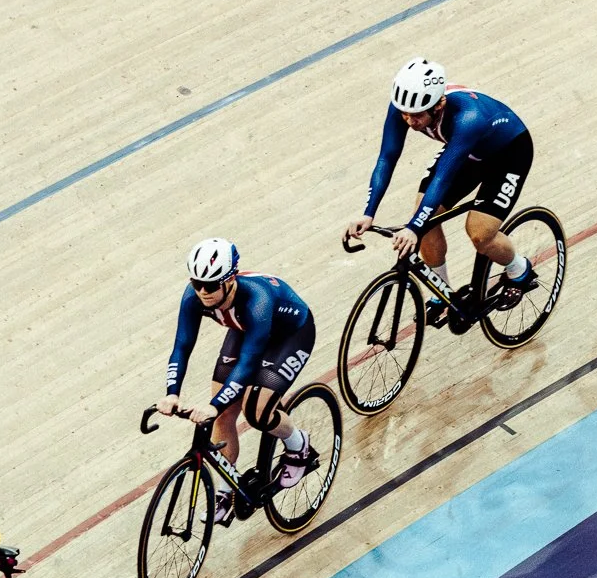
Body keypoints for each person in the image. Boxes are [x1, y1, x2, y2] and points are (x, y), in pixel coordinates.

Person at [343, 59, 538, 307]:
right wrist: (368, 212)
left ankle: (519, 270)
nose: (410, 122)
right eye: (405, 114)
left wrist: (414, 228)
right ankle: (443, 292)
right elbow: (387, 157)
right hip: (468, 153)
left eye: (417, 115)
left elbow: (443, 178)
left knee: (480, 234)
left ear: (439, 105)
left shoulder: (469, 117)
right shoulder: (404, 107)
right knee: (423, 217)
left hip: (509, 154)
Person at [158, 239, 320, 518]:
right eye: (197, 283)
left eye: (210, 285)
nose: (202, 292)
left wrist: (215, 404)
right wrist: (172, 392)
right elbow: (181, 346)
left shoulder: (257, 300)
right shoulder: (193, 297)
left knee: (256, 412)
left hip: (290, 335)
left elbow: (249, 363)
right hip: (246, 331)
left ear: (230, 280)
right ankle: (226, 489)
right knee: (220, 417)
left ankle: (299, 446)